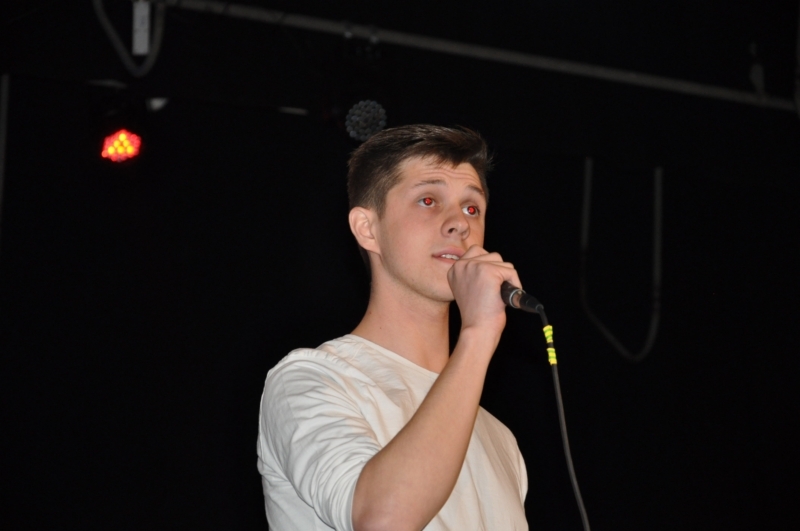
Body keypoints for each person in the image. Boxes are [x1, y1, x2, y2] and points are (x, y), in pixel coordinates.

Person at [257, 125, 528, 530]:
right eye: (428, 200)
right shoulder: (312, 380)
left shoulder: (500, 439)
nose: (459, 223)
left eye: (472, 208)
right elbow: (385, 521)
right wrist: (478, 333)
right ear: (368, 229)